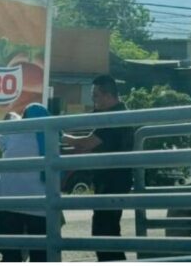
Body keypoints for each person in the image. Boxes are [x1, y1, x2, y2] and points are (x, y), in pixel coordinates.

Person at [61, 74, 133, 261]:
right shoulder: (113, 113)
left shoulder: (114, 118)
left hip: (113, 181)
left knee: (104, 231)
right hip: (111, 180)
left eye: (95, 96)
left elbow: (87, 143)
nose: (93, 101)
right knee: (107, 230)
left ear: (108, 96)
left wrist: (59, 136)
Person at [0, 103, 50, 262]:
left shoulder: (13, 130)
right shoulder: (50, 136)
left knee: (11, 254)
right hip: (39, 205)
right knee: (40, 254)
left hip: (7, 201)